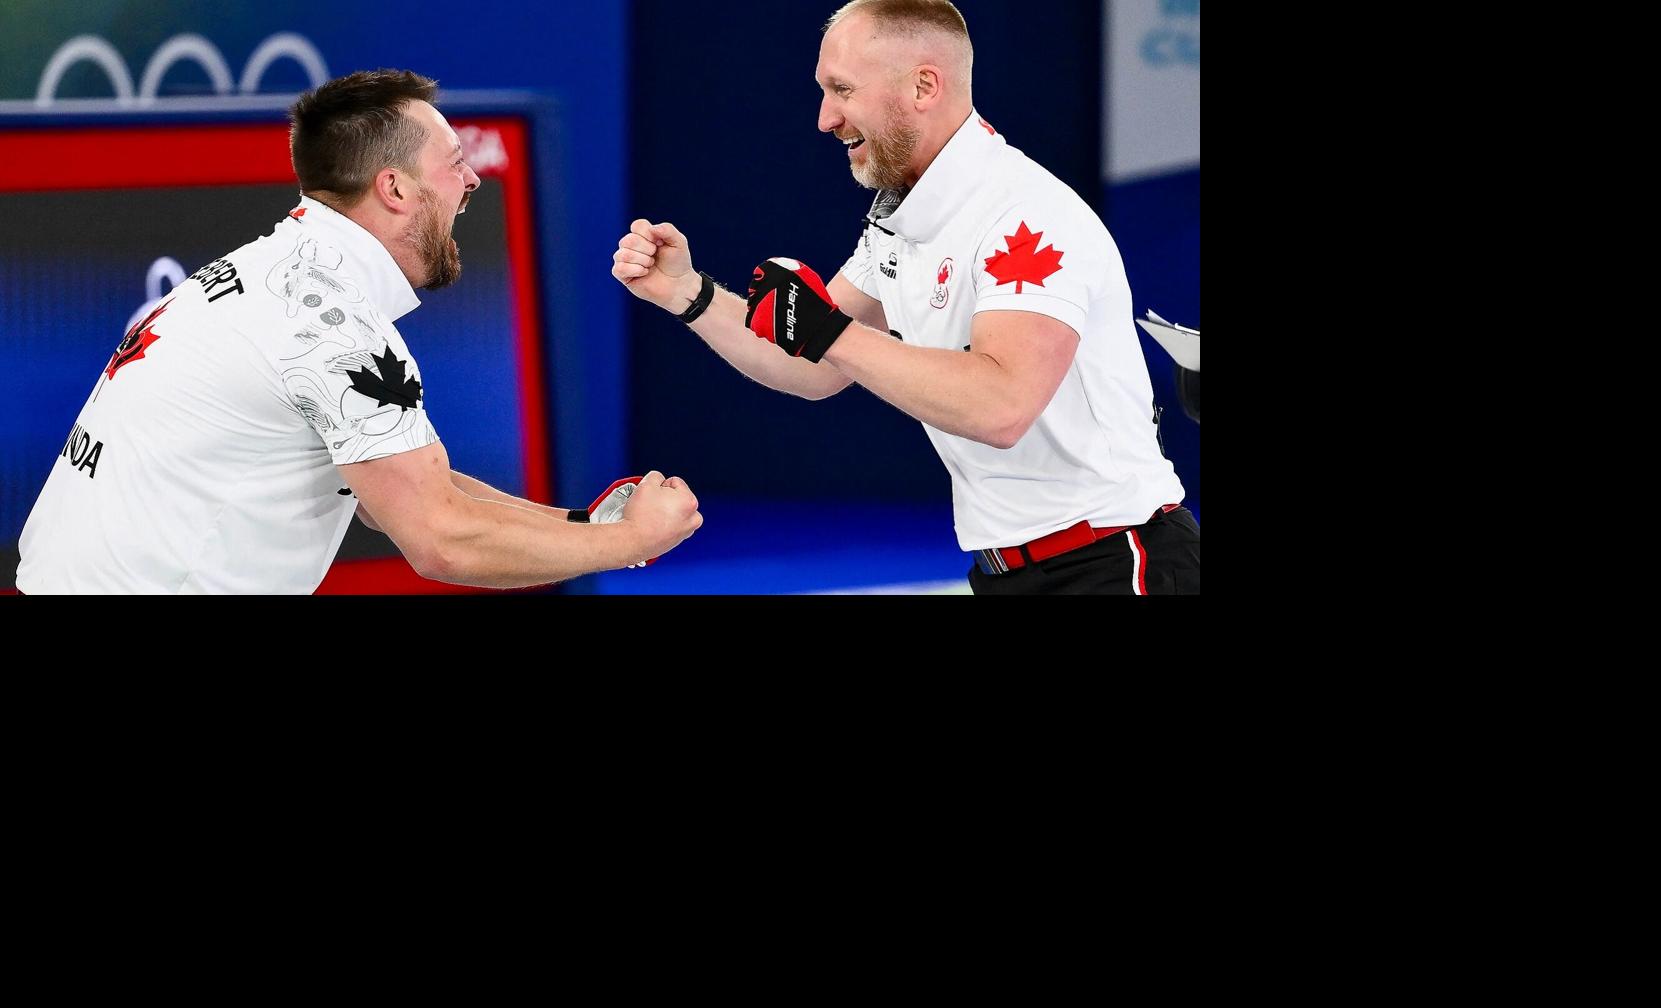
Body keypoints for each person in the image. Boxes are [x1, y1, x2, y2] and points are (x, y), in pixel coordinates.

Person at [15, 69, 700, 594]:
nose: (472, 181)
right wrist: (629, 543)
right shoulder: (334, 328)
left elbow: (397, 493)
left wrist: (583, 527)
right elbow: (442, 541)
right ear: (396, 189)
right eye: (455, 162)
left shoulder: (272, 269)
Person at [611, 0, 1198, 595]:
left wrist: (827, 331)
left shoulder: (1027, 218)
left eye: (842, 89)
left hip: (1114, 563)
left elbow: (1002, 407)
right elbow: (808, 363)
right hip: (1010, 569)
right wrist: (688, 292)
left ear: (924, 85)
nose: (824, 118)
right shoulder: (904, 216)